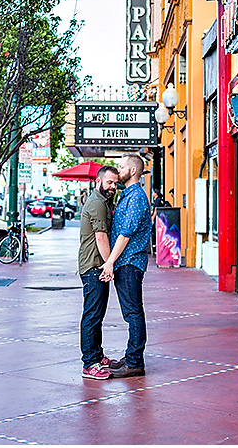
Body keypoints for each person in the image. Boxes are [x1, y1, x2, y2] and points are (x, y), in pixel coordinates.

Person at [100, 153, 153, 378]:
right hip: (126, 262)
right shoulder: (127, 195)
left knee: (133, 313)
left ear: (132, 171)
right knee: (130, 312)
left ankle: (134, 362)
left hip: (130, 263)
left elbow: (125, 234)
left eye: (121, 167)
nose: (117, 171)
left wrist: (110, 262)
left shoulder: (136, 197)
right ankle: (131, 355)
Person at [78, 165, 120, 380]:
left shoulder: (104, 201)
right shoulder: (96, 203)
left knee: (97, 314)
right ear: (99, 181)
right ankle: (89, 363)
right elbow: (101, 236)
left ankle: (97, 355)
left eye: (115, 182)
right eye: (109, 182)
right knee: (92, 314)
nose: (113, 186)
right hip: (94, 266)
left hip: (97, 265)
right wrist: (108, 264)